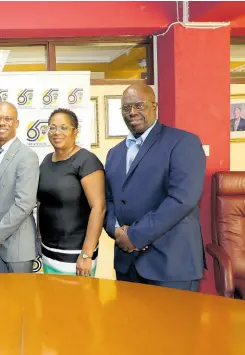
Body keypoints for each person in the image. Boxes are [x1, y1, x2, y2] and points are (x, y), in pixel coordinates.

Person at [104, 83, 206, 291]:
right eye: (126, 108)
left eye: (139, 105)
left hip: (171, 264)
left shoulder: (183, 142)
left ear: (154, 106)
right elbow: (110, 200)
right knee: (130, 324)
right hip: (127, 264)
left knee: (175, 324)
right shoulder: (114, 153)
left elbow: (182, 199)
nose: (132, 112)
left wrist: (135, 235)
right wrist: (116, 231)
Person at [37, 109, 105, 277]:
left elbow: (99, 208)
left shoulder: (86, 161)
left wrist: (86, 254)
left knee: (77, 302)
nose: (56, 132)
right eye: (52, 128)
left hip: (75, 254)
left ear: (75, 131)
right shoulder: (46, 160)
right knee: (53, 301)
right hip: (48, 250)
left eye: (63, 127)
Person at [0, 101, 39, 273]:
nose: (1, 123)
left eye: (7, 119)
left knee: (20, 299)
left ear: (17, 123)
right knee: (0, 298)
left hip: (17, 248)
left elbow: (24, 204)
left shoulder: (27, 156)